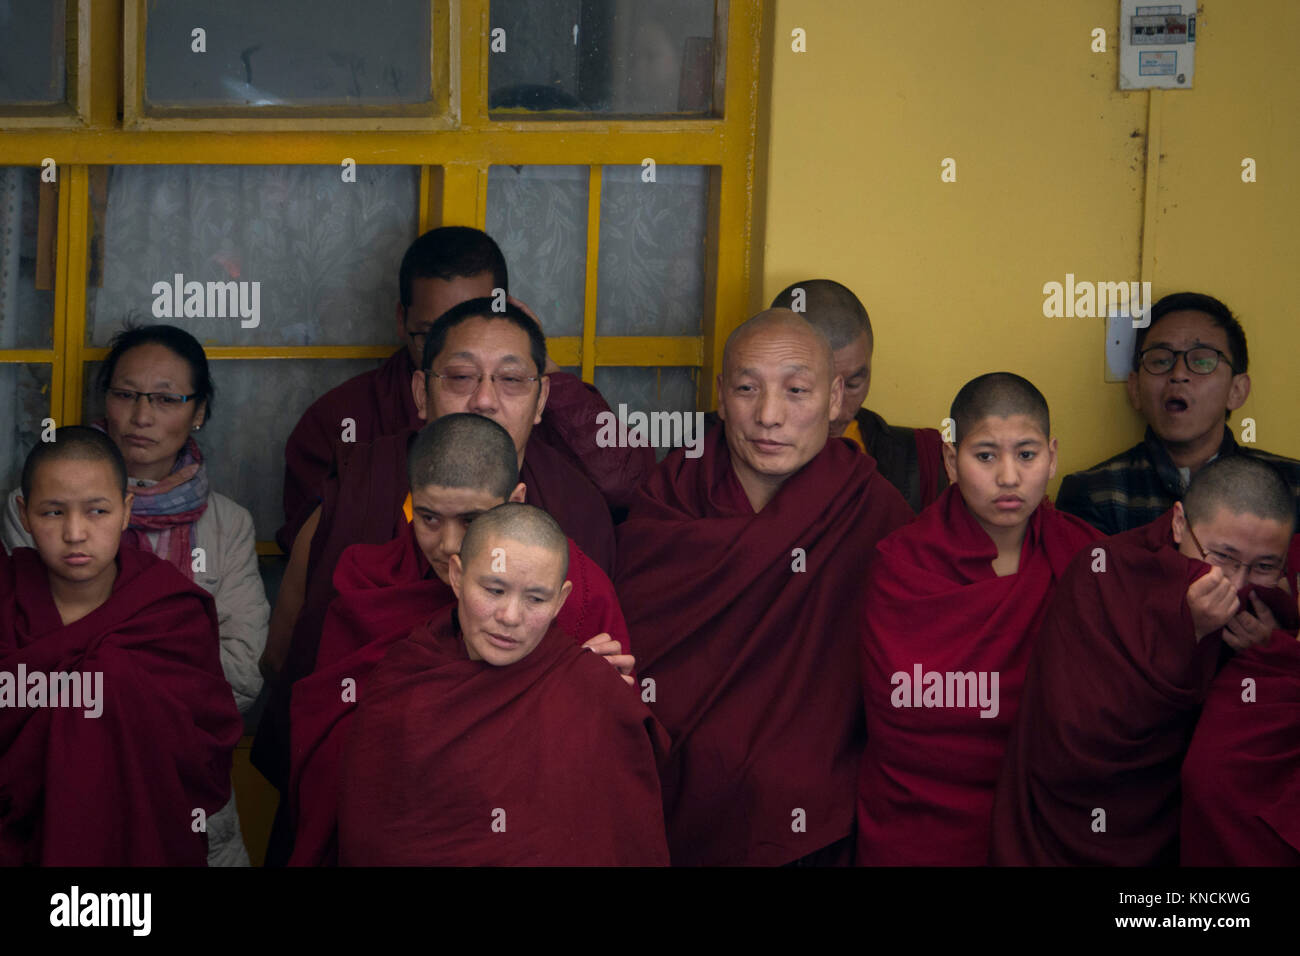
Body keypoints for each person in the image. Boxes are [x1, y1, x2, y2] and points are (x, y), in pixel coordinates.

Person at [253, 298, 615, 863]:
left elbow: (609, 738)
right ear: (421, 392)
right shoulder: (356, 500)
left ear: (544, 398)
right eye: (462, 376)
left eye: (513, 380)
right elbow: (286, 665)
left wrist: (586, 683)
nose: (485, 399)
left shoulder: (579, 519)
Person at [615, 308, 913, 865]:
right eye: (748, 389)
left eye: (796, 390)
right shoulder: (671, 496)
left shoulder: (873, 512)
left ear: (835, 402)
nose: (769, 416)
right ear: (722, 396)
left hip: (811, 815)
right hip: (670, 790)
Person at [287, 414, 633, 865]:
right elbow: (331, 745)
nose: (448, 544)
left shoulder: (577, 586)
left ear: (516, 500)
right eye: (428, 517)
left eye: (472, 519)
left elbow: (610, 757)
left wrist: (582, 686)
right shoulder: (369, 581)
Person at [1, 324, 266, 867]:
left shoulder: (228, 526)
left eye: (166, 398)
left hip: (164, 801)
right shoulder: (30, 512)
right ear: (31, 515)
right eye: (125, 394)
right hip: (30, 816)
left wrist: (128, 697)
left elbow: (236, 672)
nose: (142, 415)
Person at [992, 455, 1298, 866]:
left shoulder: (1274, 601)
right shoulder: (1102, 574)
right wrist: (1186, 632)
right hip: (1079, 824)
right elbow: (1074, 736)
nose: (1237, 584)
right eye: (1222, 557)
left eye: (1264, 566)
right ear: (1178, 523)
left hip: (1184, 834)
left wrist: (1269, 654)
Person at [279, 226, 653, 550]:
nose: (485, 400)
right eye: (431, 334)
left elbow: (627, 485)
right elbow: (316, 569)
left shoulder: (530, 400)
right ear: (401, 320)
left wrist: (532, 361)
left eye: (475, 320)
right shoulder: (340, 420)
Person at [337, 504, 670, 866]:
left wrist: (578, 681)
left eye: (536, 599)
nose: (510, 617)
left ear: (561, 600)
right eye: (494, 590)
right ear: (458, 576)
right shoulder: (405, 678)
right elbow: (374, 834)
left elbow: (620, 839)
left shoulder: (593, 691)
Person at [855, 373, 1100, 865]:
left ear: (1052, 456)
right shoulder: (903, 562)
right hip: (921, 821)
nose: (1008, 477)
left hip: (1044, 814)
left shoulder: (1085, 556)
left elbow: (1109, 698)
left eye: (1027, 455)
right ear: (950, 460)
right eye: (985, 455)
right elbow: (901, 707)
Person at [1056, 291, 1300, 534]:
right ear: (1135, 389)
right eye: (1161, 360)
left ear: (1237, 390)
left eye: (1202, 361)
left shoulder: (1292, 486)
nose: (1178, 374)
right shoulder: (1094, 493)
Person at [769, 279, 947, 512]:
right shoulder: (709, 441)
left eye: (853, 384)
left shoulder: (919, 459)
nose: (836, 412)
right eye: (802, 388)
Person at [1180, 533, 1300, 865]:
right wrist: (1277, 649)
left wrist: (1282, 650)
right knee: (1211, 777)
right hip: (1269, 672)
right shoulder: (1285, 547)